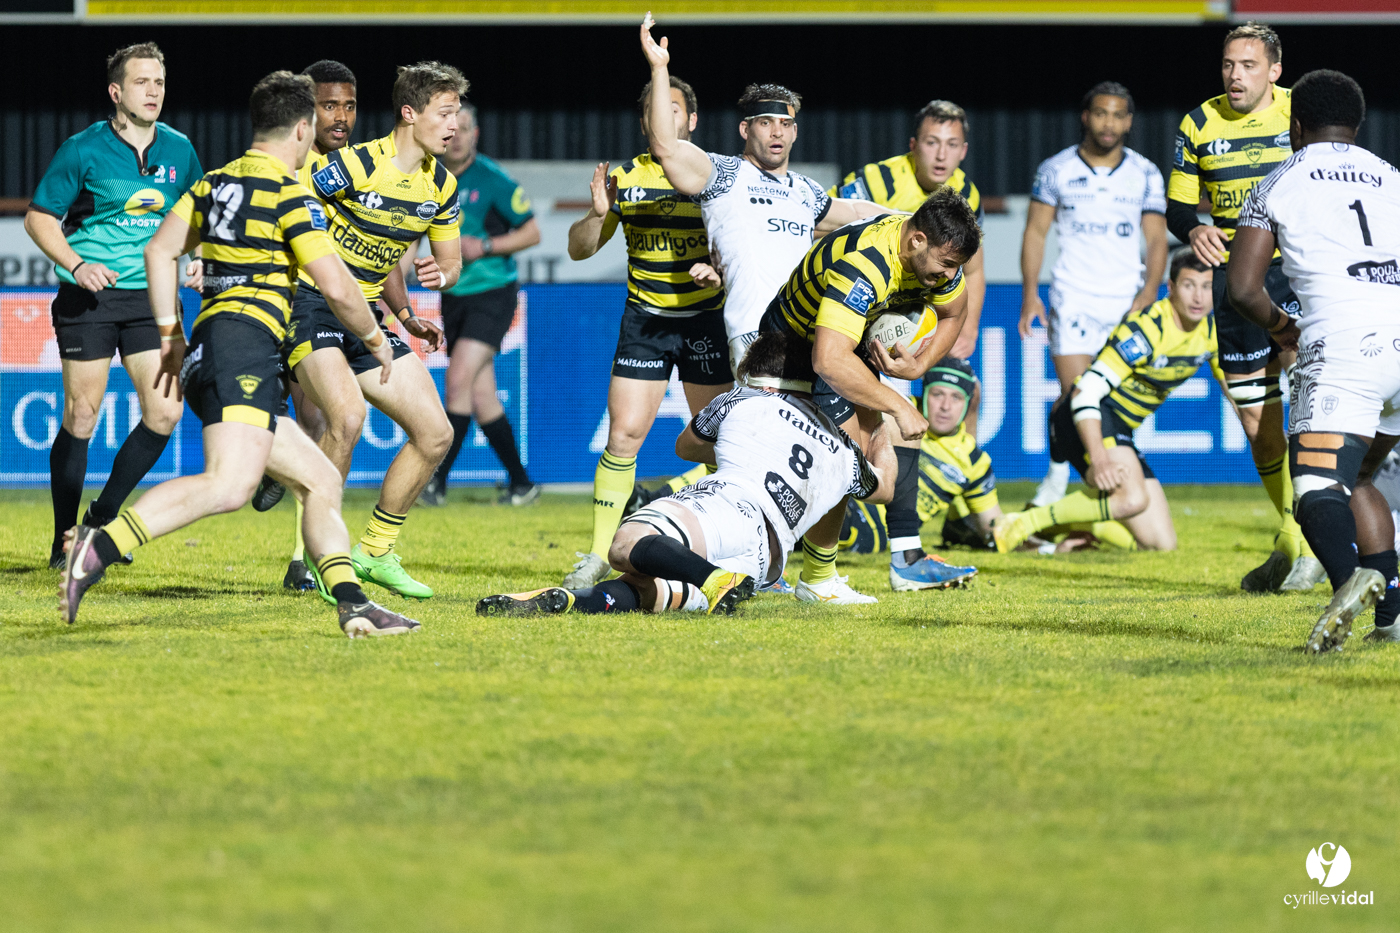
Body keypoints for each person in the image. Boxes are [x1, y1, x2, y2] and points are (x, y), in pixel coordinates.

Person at [60, 71, 420, 638]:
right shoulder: (288, 192)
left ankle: (353, 603)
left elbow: (160, 250)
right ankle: (96, 547)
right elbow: (340, 286)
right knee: (230, 485)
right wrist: (376, 340)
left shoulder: (215, 184)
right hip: (244, 347)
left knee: (321, 480)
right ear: (303, 129)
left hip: (216, 343)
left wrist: (170, 332)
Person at [476, 331, 896, 617]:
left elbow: (686, 447)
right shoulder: (840, 447)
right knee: (646, 588)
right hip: (768, 560)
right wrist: (881, 426)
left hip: (729, 508)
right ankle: (572, 601)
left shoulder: (742, 399)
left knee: (626, 543)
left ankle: (714, 580)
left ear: (763, 377)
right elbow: (884, 488)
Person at [275, 61, 465, 602]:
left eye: (458, 114)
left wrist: (442, 273)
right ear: (410, 113)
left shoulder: (442, 187)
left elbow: (450, 262)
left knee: (436, 434)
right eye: (445, 113)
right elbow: (284, 208)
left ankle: (375, 553)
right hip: (309, 305)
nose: (455, 125)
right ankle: (325, 558)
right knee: (347, 418)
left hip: (366, 317)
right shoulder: (353, 167)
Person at [1229, 69, 1400, 651]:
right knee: (1361, 478)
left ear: (1294, 126)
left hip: (1344, 344)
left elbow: (1244, 290)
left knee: (1315, 487)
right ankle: (1392, 617)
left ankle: (1348, 580)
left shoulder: (1278, 181)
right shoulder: (1392, 177)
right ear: (1357, 125)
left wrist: (1286, 329)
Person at [24, 41, 203, 570]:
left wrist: (197, 256)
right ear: (116, 91)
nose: (154, 91)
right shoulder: (82, 149)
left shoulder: (180, 150)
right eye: (143, 82)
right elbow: (38, 218)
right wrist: (77, 265)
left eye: (160, 82)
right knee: (81, 414)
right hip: (90, 298)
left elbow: (197, 218)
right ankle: (63, 538)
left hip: (154, 299)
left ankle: (100, 523)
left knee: (166, 411)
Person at [637, 13, 891, 375]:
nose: (777, 132)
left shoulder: (805, 191)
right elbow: (666, 146)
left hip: (811, 334)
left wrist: (913, 221)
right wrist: (659, 70)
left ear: (795, 132)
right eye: (765, 122)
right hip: (755, 336)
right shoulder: (723, 175)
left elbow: (855, 213)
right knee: (761, 431)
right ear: (745, 129)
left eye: (785, 124)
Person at [761, 189, 982, 602]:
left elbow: (955, 312)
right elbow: (827, 360)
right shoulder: (866, 266)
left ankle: (822, 578)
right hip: (788, 342)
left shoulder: (936, 261)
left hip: (846, 341)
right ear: (917, 241)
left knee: (855, 462)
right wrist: (898, 404)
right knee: (812, 457)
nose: (951, 276)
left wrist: (919, 366)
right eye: (947, 265)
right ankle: (765, 565)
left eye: (958, 268)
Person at [1166, 21, 1322, 593]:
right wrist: (1195, 228)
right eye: (1229, 64)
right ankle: (1292, 538)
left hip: (1297, 270)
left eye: (1249, 65)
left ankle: (1311, 546)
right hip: (1237, 281)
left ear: (1275, 70)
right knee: (1257, 419)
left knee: (1308, 403)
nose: (1235, 75)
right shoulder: (1198, 123)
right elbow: (1178, 205)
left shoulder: (1299, 114)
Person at [561, 75, 734, 588]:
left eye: (676, 110)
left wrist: (719, 270)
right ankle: (596, 556)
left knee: (722, 444)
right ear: (645, 122)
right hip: (647, 321)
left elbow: (742, 250)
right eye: (658, 110)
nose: (667, 118)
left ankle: (724, 546)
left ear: (692, 120)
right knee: (623, 436)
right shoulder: (625, 180)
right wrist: (596, 216)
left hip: (706, 321)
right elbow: (579, 248)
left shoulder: (718, 176)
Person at [830, 100, 990, 590]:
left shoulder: (966, 194)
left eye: (952, 144)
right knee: (841, 439)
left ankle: (906, 554)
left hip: (902, 327)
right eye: (931, 142)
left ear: (963, 150)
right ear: (913, 145)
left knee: (907, 427)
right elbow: (824, 222)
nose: (941, 155)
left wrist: (965, 326)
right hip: (844, 316)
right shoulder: (875, 182)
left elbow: (971, 268)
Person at [995, 249, 1227, 554]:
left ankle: (1076, 528)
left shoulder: (1212, 332)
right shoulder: (1148, 329)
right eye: (1188, 285)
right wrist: (1100, 458)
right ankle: (1022, 524)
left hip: (1117, 427)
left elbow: (1238, 392)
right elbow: (1084, 393)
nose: (1198, 297)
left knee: (1162, 544)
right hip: (1083, 416)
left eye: (1206, 286)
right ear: (1170, 288)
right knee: (1132, 499)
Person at [1020, 82, 1169, 512]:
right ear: (1086, 117)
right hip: (1074, 296)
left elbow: (1157, 240)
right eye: (1101, 113)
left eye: (1118, 114)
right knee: (1078, 395)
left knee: (1108, 402)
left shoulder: (1145, 172)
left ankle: (1100, 487)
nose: (1109, 122)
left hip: (1125, 299)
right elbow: (1035, 232)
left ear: (1129, 121)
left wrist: (1148, 291)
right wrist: (1031, 293)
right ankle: (1059, 476)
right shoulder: (1056, 169)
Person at [250, 59, 366, 591]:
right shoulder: (286, 164)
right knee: (311, 423)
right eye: (328, 106)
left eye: (348, 105)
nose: (340, 117)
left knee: (324, 423)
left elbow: (366, 254)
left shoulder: (360, 168)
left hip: (324, 308)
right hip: (279, 305)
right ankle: (269, 463)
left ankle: (303, 558)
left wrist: (406, 309)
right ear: (305, 113)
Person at [418, 100, 543, 508]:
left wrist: (486, 245)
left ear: (475, 135)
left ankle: (435, 481)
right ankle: (522, 484)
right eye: (450, 126)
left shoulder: (492, 180)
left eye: (465, 126)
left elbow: (532, 233)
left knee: (456, 382)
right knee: (482, 395)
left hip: (492, 294)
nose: (457, 134)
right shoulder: (430, 178)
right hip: (452, 297)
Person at [913, 358, 1004, 556]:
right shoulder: (896, 411)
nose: (945, 406)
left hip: (872, 537)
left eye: (956, 397)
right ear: (925, 393)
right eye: (938, 394)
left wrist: (1049, 545)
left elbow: (996, 530)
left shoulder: (973, 460)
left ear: (967, 404)